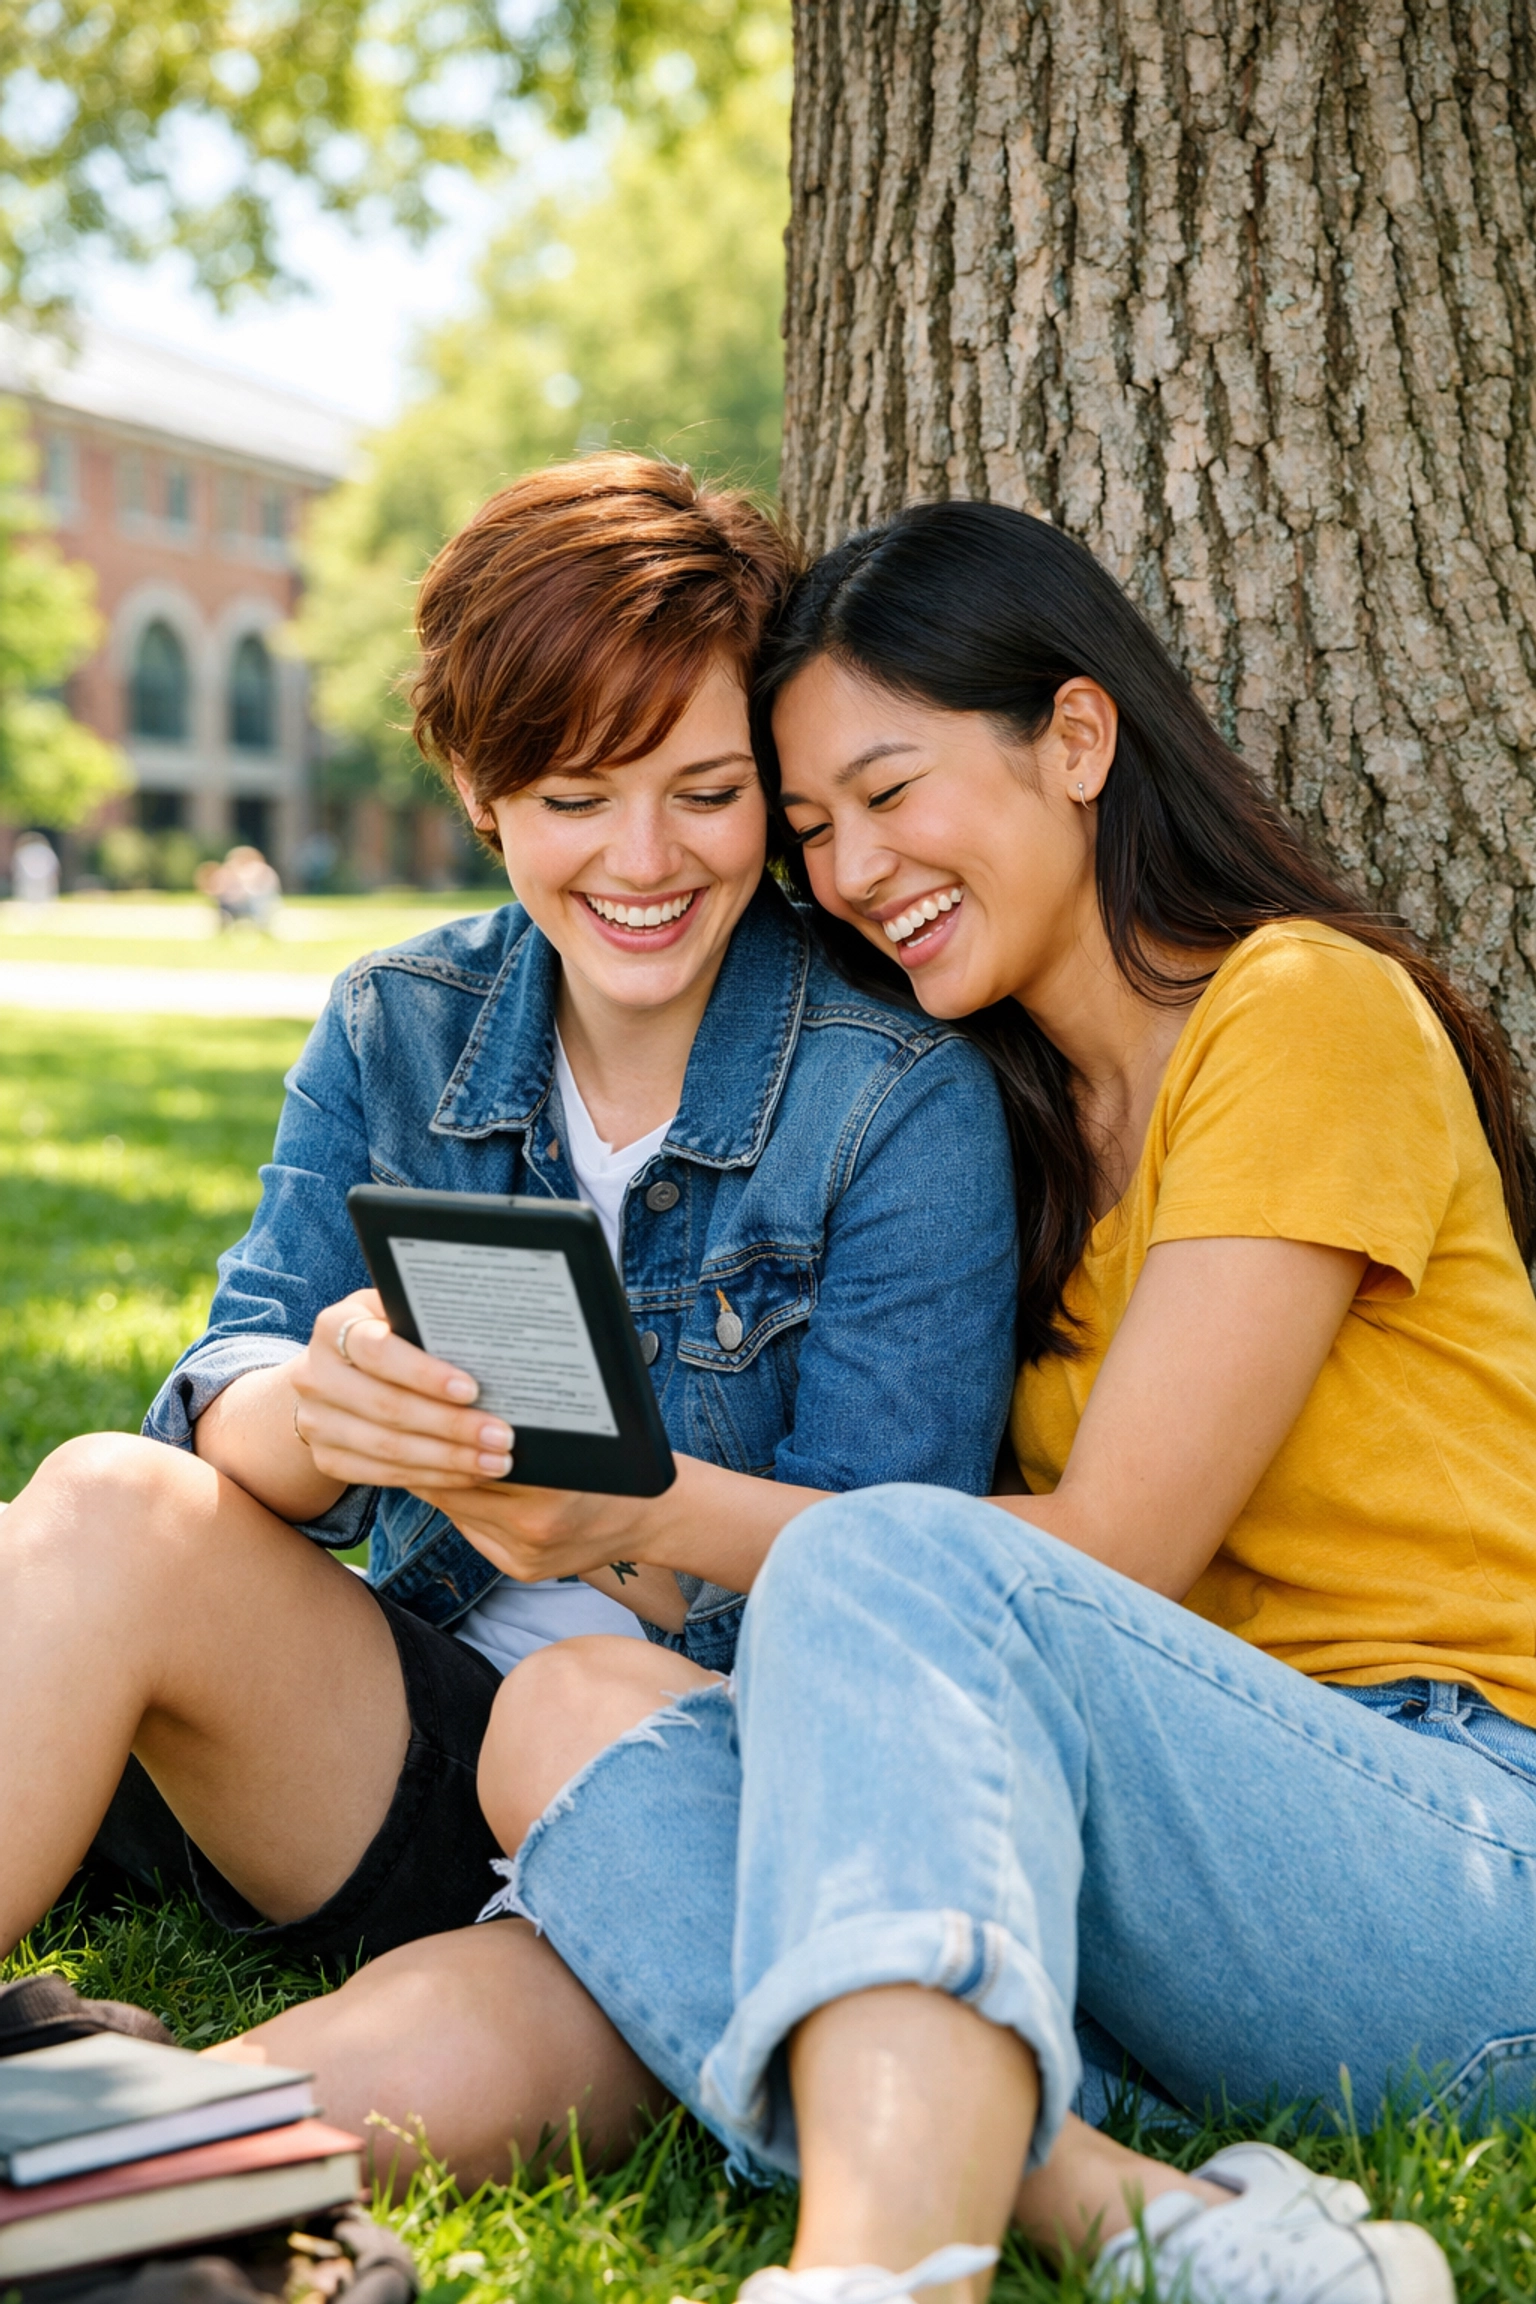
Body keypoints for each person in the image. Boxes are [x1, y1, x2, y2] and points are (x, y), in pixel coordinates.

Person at [464, 501, 1536, 2304]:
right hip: (1170, 1894)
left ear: (1079, 738)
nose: (856, 869)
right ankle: (1150, 2216)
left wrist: (635, 1506)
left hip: (1460, 1851)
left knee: (890, 1562)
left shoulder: (1303, 1011)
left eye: (891, 793)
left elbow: (1111, 1554)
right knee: (562, 1713)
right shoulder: (1003, 1125)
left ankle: (888, 2267)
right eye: (810, 831)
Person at [0, 462, 1019, 2183]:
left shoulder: (895, 1098)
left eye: (706, 794)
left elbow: (887, 1575)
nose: (645, 862)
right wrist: (321, 1414)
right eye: (572, 795)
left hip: (689, 1787)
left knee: (506, 2006)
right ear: (481, 794)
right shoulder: (403, 1021)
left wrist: (626, 1524)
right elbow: (225, 1387)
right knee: (108, 1498)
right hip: (390, 1738)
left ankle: (93, 2166)